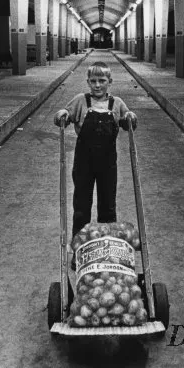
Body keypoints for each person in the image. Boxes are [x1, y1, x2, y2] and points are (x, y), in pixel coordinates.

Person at [54, 61, 138, 236]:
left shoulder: (116, 103)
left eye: (102, 80)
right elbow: (65, 115)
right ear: (88, 82)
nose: (97, 85)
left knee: (107, 206)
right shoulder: (81, 101)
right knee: (81, 206)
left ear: (110, 81)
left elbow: (127, 121)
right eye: (93, 81)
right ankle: (79, 249)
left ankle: (106, 247)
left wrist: (130, 116)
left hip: (108, 164)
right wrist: (62, 115)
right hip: (83, 162)